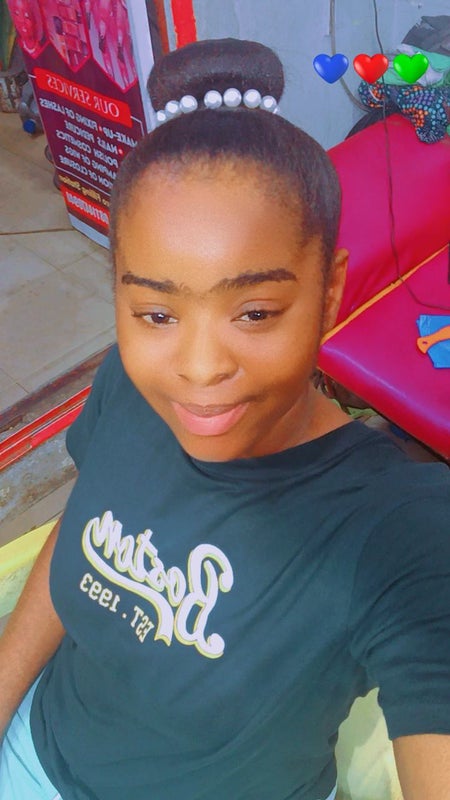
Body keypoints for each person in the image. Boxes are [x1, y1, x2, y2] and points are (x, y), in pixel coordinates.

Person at [0, 37, 449, 800]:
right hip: (36, 757)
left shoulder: (397, 526)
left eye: (255, 311)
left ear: (329, 295)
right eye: (156, 312)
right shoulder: (131, 385)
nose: (201, 368)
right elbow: (84, 523)